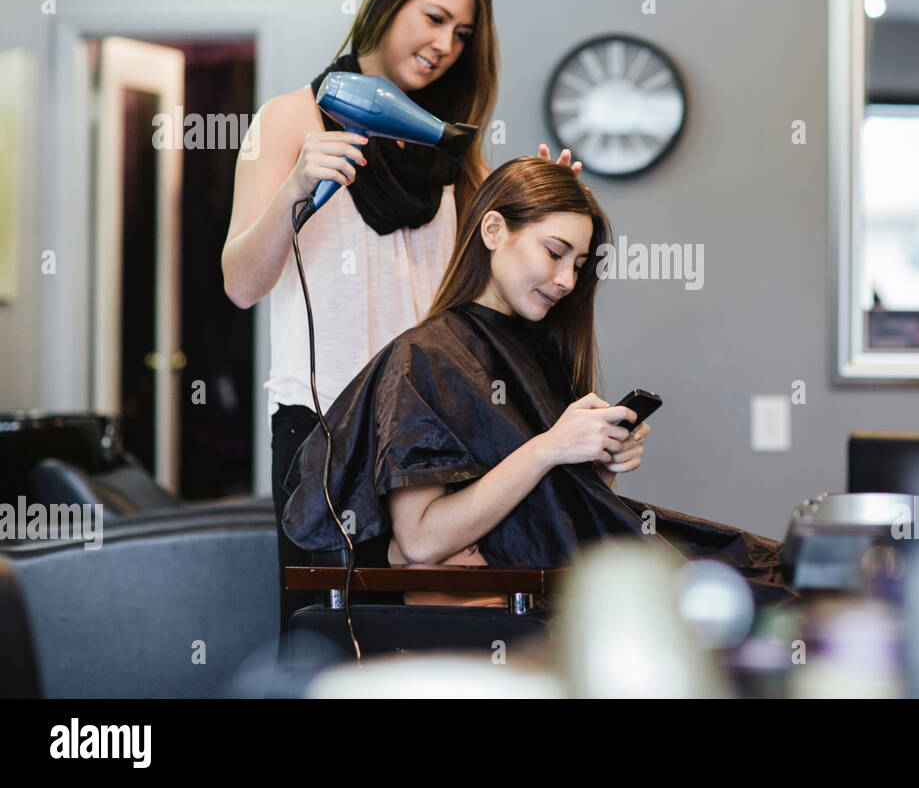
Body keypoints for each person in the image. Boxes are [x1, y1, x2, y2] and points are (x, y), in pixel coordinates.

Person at [220, 0, 580, 636]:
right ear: (387, 4)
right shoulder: (291, 119)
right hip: (323, 428)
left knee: (428, 637)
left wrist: (545, 220)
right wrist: (295, 186)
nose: (446, 44)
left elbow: (482, 298)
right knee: (333, 633)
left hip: (425, 432)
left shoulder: (452, 151)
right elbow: (240, 283)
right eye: (434, 17)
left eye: (463, 33)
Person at [282, 157, 798, 609]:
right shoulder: (426, 357)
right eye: (554, 252)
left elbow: (554, 513)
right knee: (751, 599)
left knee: (779, 572)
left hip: (556, 579)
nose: (567, 281)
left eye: (578, 263)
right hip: (505, 605)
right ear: (492, 231)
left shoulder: (539, 350)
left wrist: (598, 463)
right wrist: (550, 447)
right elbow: (419, 541)